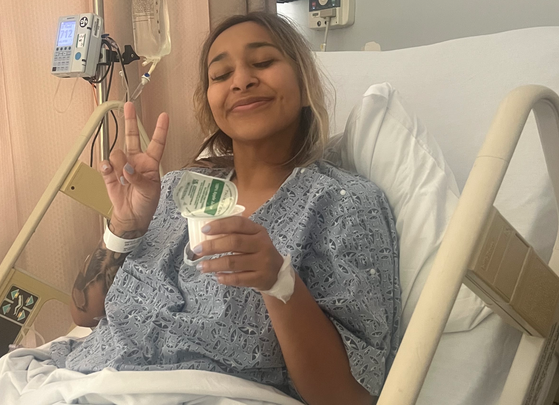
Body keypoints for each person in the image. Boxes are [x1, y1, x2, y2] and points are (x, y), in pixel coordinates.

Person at [52, 12, 400, 405]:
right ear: (211, 103)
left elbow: (350, 396)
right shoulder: (175, 189)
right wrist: (125, 226)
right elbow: (84, 315)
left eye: (263, 62)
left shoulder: (343, 204)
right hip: (78, 380)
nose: (241, 80)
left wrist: (280, 282)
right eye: (220, 75)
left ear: (304, 86)